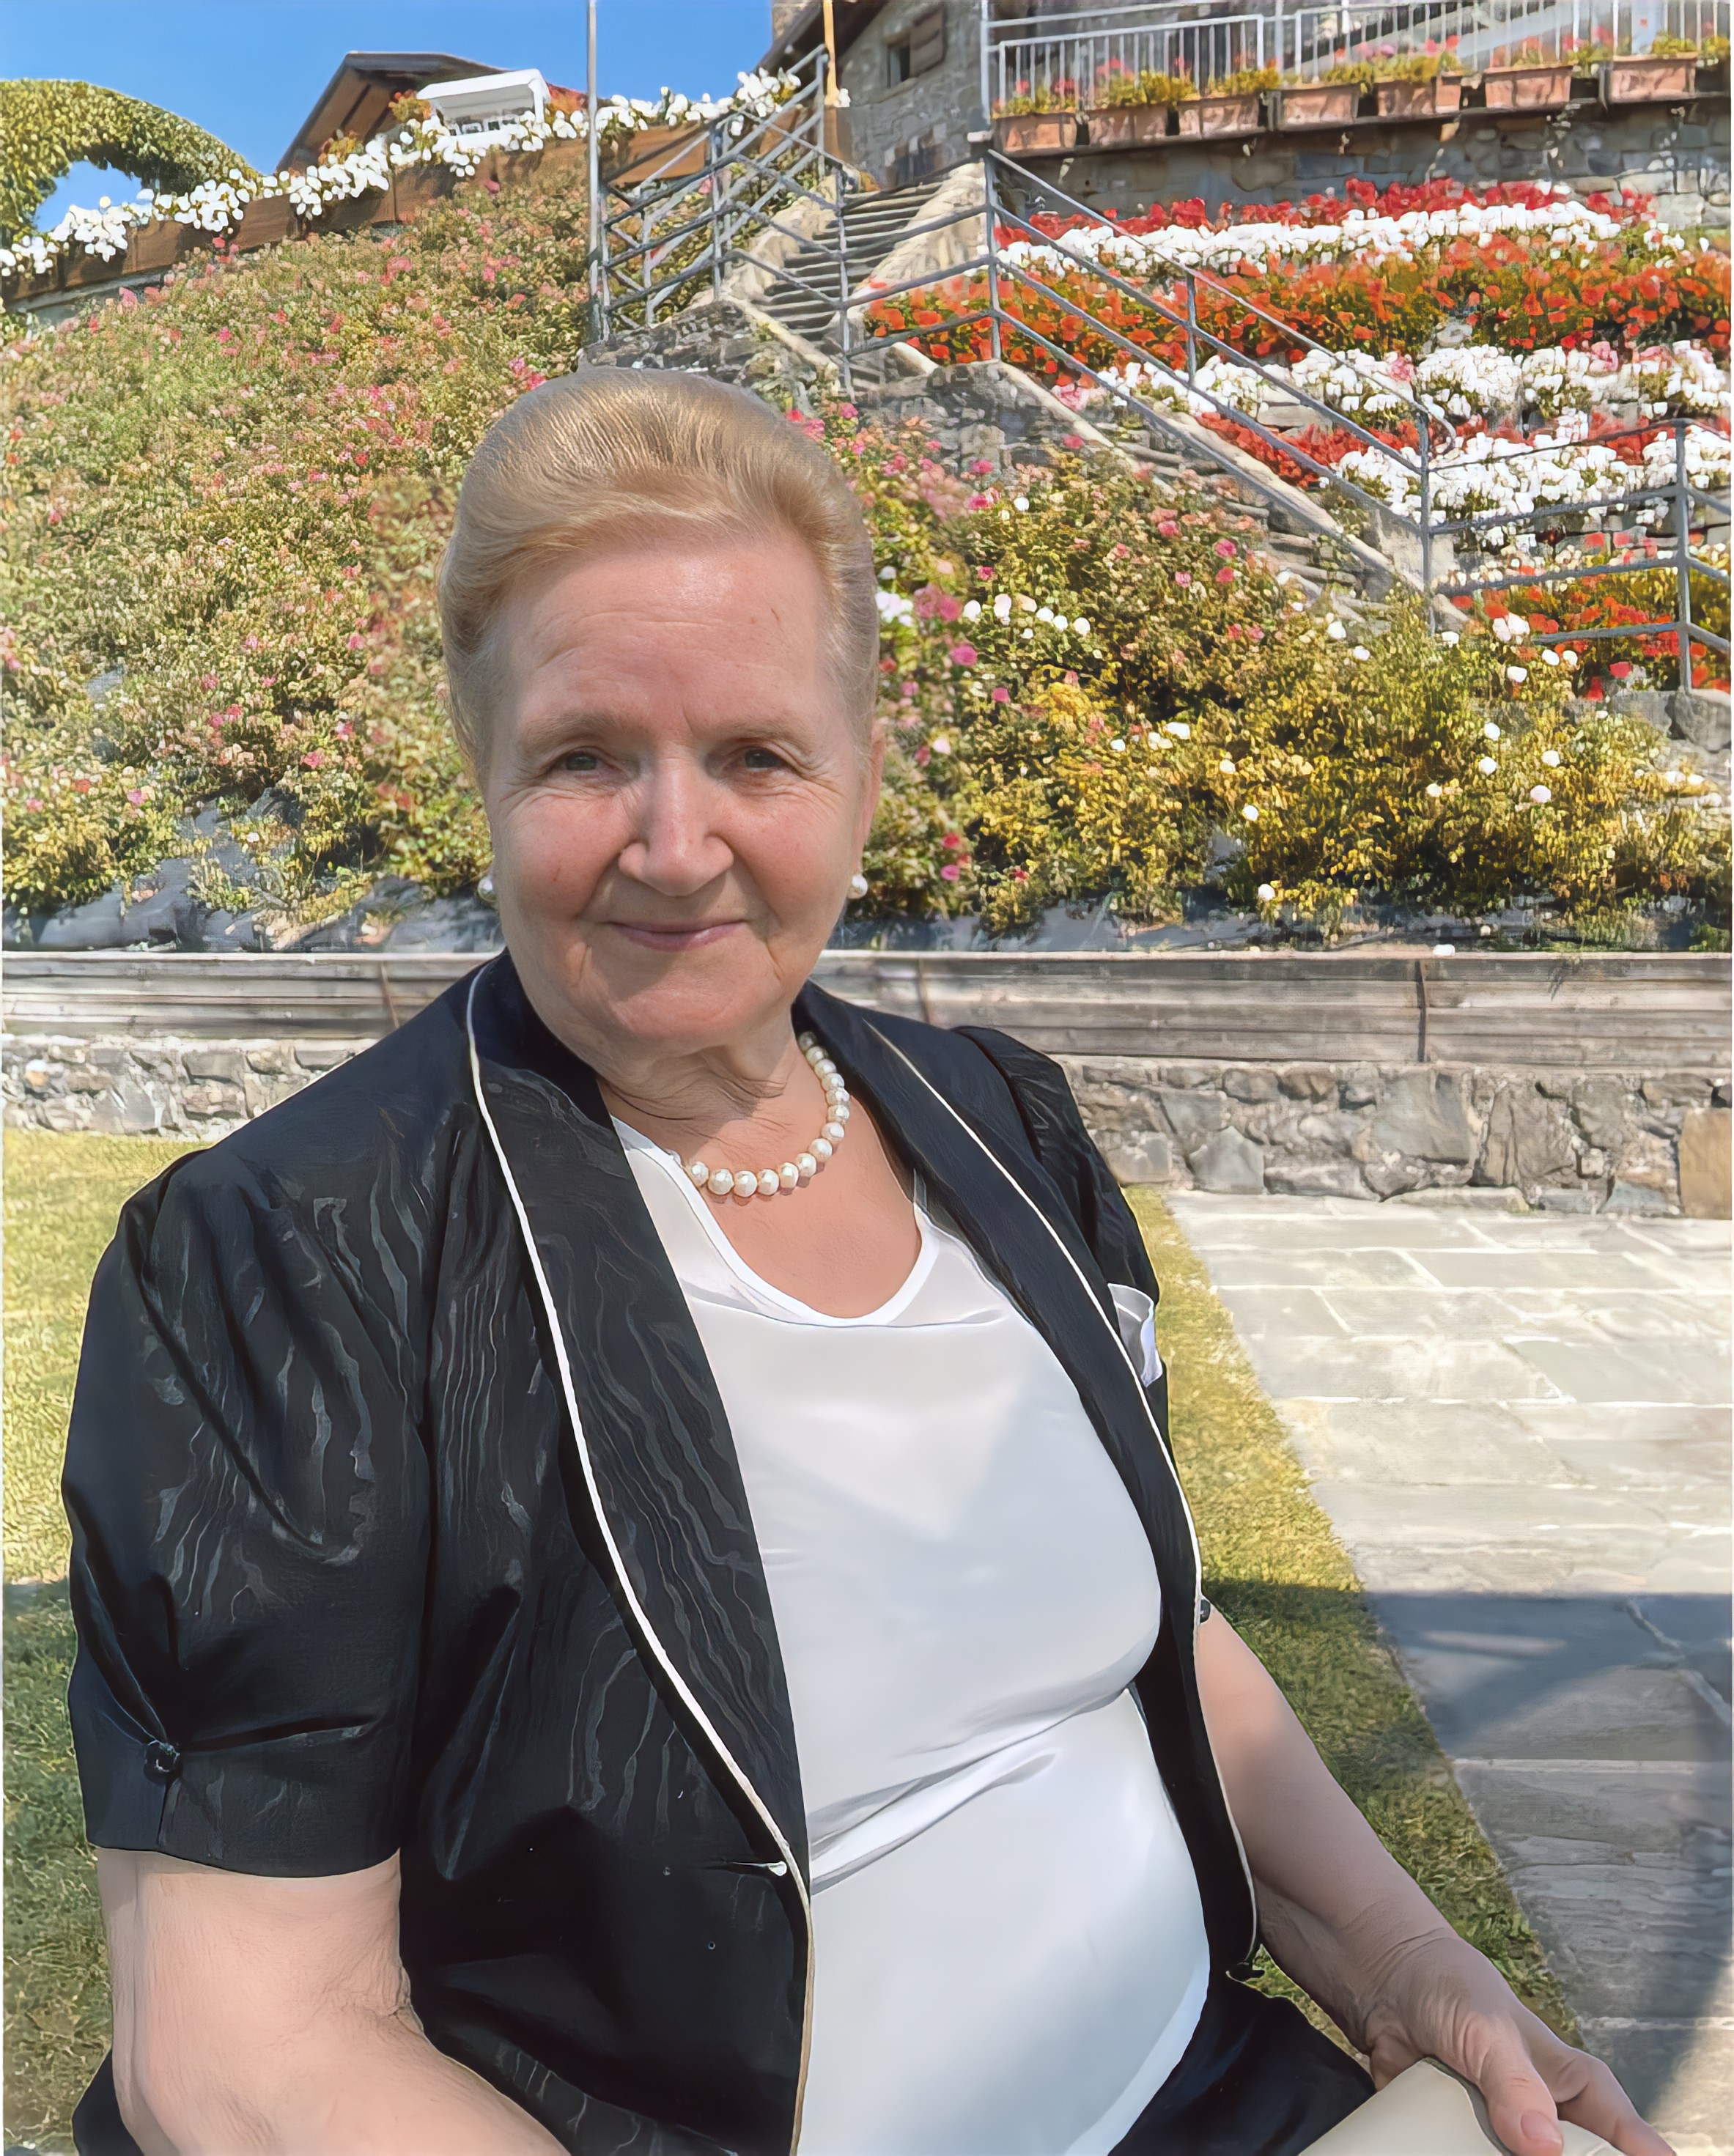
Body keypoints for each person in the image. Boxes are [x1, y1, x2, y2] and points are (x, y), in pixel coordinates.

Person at [64, 369, 1667, 2156]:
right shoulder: (289, 1268)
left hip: (1215, 2098)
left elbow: (1167, 1628)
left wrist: (1406, 1963)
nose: (677, 845)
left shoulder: (1000, 1125)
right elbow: (245, 2057)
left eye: (756, 755)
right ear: (482, 765)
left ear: (863, 772)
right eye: (587, 756)